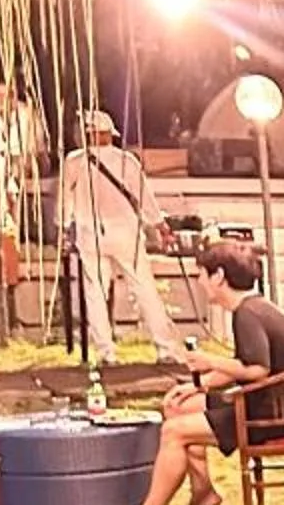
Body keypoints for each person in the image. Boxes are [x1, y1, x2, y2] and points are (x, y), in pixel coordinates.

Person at [107, 243, 284, 505]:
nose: (199, 281)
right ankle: (203, 495)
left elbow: (257, 369)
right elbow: (246, 366)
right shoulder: (254, 307)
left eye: (202, 274)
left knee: (174, 432)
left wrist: (210, 361)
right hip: (272, 402)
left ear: (219, 277)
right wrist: (197, 386)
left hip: (272, 414)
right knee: (179, 406)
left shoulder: (247, 315)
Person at [55, 110, 189, 368]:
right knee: (144, 289)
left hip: (90, 233)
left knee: (95, 291)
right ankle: (165, 349)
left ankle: (107, 353)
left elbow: (64, 201)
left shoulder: (74, 162)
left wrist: (63, 228)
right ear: (107, 134)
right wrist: (160, 226)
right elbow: (145, 198)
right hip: (125, 232)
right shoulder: (126, 161)